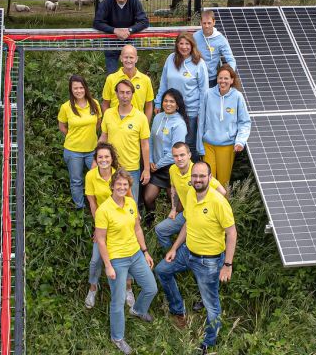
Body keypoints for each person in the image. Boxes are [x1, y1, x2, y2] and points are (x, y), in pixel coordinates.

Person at [155, 162, 237, 355]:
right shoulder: (191, 193)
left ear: (210, 178)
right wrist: (175, 248)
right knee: (162, 271)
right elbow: (188, 223)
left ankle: (208, 342)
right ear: (191, 178)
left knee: (212, 305)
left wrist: (227, 265)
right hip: (187, 252)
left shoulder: (218, 202)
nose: (198, 179)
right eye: (195, 176)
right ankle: (178, 311)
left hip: (208, 261)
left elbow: (232, 233)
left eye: (202, 176)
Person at [95, 168, 158, 355]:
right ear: (112, 186)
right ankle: (117, 337)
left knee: (151, 288)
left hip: (136, 254)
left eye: (125, 184)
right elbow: (100, 239)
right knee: (118, 300)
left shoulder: (131, 203)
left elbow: (138, 229)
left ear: (128, 187)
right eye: (119, 184)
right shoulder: (104, 210)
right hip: (117, 259)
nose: (122, 187)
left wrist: (145, 252)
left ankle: (138, 310)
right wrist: (108, 265)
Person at [84, 143, 135, 310]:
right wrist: (98, 228)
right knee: (95, 260)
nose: (104, 160)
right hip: (104, 224)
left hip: (121, 224)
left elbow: (130, 199)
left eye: (107, 157)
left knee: (127, 257)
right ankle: (93, 288)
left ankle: (128, 288)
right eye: (100, 157)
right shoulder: (91, 176)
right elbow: (92, 204)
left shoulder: (119, 175)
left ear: (112, 159)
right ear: (96, 159)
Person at [155, 142, 226, 251]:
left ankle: (184, 253)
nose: (179, 159)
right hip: (186, 214)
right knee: (160, 230)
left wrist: (209, 212)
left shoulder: (198, 171)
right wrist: (173, 209)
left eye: (182, 155)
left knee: (192, 242)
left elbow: (222, 191)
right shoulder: (172, 169)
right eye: (175, 156)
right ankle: (173, 255)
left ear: (189, 155)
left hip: (201, 217)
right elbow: (173, 188)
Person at [154, 32, 209, 161]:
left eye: (187, 44)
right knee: (172, 144)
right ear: (177, 45)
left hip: (191, 112)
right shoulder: (171, 59)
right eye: (181, 43)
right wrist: (158, 102)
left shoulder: (199, 63)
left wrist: (202, 111)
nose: (184, 47)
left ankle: (193, 175)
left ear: (192, 45)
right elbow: (164, 83)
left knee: (188, 145)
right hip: (171, 109)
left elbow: (204, 91)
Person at [197, 65, 251, 188]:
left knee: (223, 183)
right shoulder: (208, 94)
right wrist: (199, 145)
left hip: (227, 146)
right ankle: (208, 206)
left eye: (226, 78)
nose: (223, 81)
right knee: (208, 180)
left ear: (232, 80)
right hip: (208, 144)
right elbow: (201, 122)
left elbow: (245, 122)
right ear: (216, 79)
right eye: (220, 78)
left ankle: (223, 206)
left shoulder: (237, 97)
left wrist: (240, 141)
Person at [99, 79, 150, 203]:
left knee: (131, 204)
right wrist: (96, 160)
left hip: (131, 168)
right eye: (121, 92)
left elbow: (145, 145)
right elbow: (103, 137)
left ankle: (135, 223)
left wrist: (147, 169)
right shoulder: (108, 114)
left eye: (128, 93)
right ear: (116, 94)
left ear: (132, 94)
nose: (124, 96)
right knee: (111, 203)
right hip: (111, 166)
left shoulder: (140, 117)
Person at [143, 89, 188, 225]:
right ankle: (151, 223)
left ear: (177, 105)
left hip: (171, 168)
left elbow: (176, 152)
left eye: (172, 102)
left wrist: (158, 165)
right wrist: (150, 160)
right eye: (166, 101)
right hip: (155, 166)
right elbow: (150, 140)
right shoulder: (158, 117)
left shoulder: (179, 124)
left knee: (175, 203)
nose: (168, 104)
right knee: (148, 197)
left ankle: (177, 227)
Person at [58, 74, 101, 209]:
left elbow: (98, 123)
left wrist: (89, 135)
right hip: (73, 151)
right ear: (71, 90)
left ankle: (101, 206)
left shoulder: (94, 104)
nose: (78, 91)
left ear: (85, 88)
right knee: (76, 181)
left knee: (98, 177)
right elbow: (62, 126)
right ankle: (80, 208)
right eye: (75, 88)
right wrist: (73, 136)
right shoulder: (66, 107)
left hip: (92, 150)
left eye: (81, 87)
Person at [93, 0, 149, 74]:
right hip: (111, 37)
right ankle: (113, 87)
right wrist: (114, 30)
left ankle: (129, 87)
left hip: (129, 37)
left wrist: (130, 30)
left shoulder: (133, 0)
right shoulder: (108, 0)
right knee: (112, 73)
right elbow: (97, 22)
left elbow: (144, 21)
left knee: (130, 70)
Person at [102, 44, 154, 123]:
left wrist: (145, 125)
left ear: (136, 59)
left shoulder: (145, 80)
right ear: (121, 58)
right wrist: (109, 123)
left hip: (137, 125)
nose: (128, 60)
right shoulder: (111, 79)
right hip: (116, 124)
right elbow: (105, 104)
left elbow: (149, 105)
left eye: (131, 57)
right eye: (126, 57)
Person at [193, 10, 236, 87]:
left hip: (211, 80)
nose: (206, 26)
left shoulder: (221, 39)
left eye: (209, 23)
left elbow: (230, 60)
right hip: (195, 78)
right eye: (204, 23)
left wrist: (229, 75)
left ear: (214, 22)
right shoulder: (195, 37)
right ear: (200, 23)